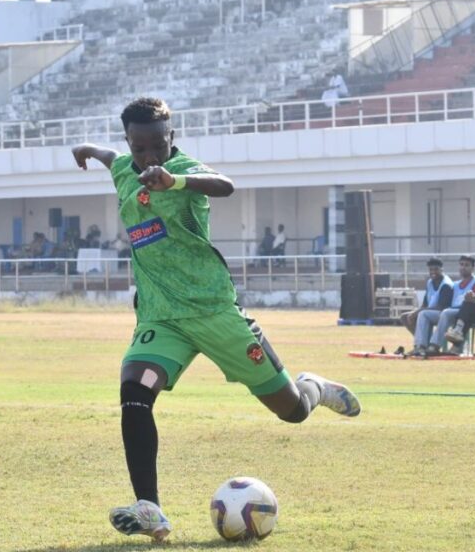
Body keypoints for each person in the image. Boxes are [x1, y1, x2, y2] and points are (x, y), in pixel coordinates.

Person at [71, 97, 360, 542]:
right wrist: (89, 149)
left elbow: (225, 185)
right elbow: (111, 158)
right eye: (139, 147)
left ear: (172, 137)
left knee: (292, 412)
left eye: (158, 145)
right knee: (134, 391)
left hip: (213, 311)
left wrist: (174, 181)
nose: (149, 155)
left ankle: (314, 388)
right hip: (162, 317)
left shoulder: (183, 170)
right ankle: (150, 509)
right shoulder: (125, 168)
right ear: (128, 142)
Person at [428, 255, 475, 354]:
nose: (463, 267)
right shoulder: (455, 284)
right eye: (461, 265)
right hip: (452, 312)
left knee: (446, 313)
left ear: (473, 267)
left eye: (467, 265)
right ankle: (421, 345)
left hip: (466, 313)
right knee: (424, 314)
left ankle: (435, 345)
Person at [400, 258, 453, 357]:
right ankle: (424, 343)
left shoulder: (446, 284)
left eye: (436, 269)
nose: (433, 272)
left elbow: (441, 307)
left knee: (423, 314)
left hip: (443, 314)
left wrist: (419, 311)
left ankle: (420, 346)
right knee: (405, 317)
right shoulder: (430, 282)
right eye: (431, 269)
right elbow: (425, 304)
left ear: (442, 269)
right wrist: (415, 312)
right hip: (430, 312)